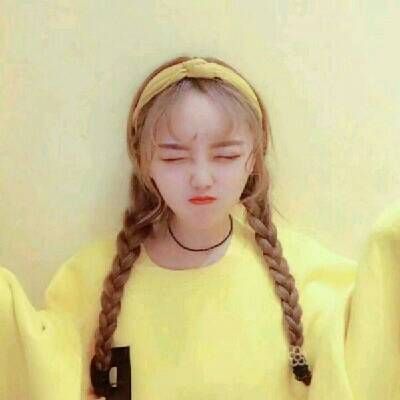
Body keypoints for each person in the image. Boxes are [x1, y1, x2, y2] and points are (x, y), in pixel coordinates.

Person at [0, 56, 399, 400]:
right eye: (174, 158)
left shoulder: (308, 275)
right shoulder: (91, 279)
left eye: (226, 156)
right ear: (144, 162)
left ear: (253, 160)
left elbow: (369, 358)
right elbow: (35, 371)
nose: (202, 179)